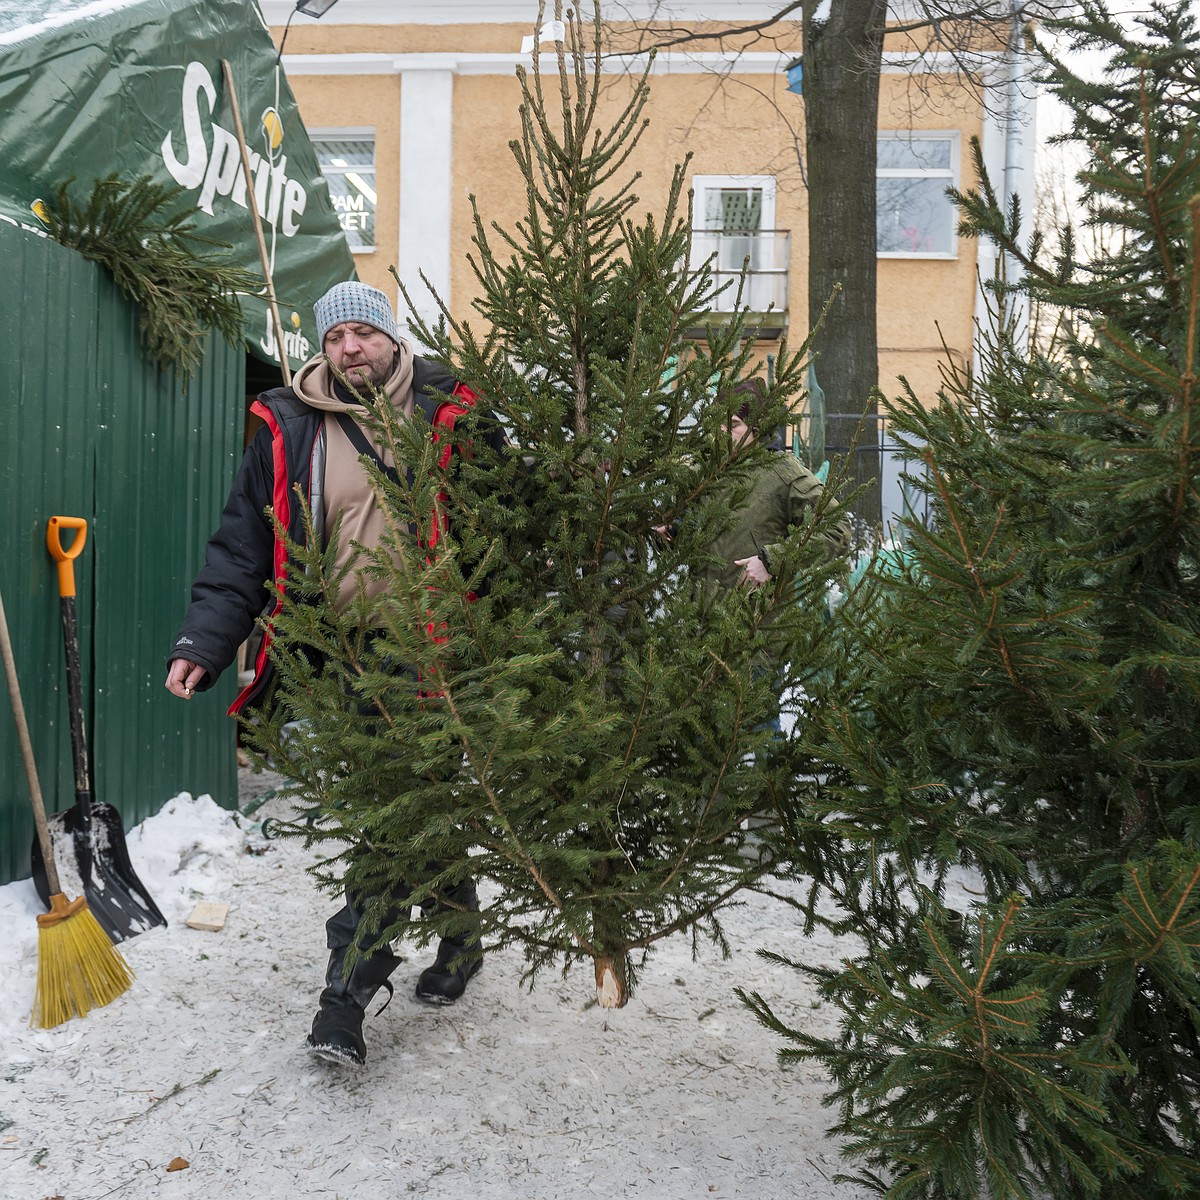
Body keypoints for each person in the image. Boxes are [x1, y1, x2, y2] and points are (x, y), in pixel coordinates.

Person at [165, 281, 494, 1068]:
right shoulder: (290, 426)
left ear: (392, 339)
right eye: (336, 335)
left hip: (438, 655)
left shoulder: (453, 413)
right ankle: (463, 937)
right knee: (416, 808)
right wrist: (204, 643)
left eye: (364, 333)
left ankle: (343, 1000)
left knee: (395, 820)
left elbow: (511, 519)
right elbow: (245, 546)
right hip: (344, 655)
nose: (350, 348)